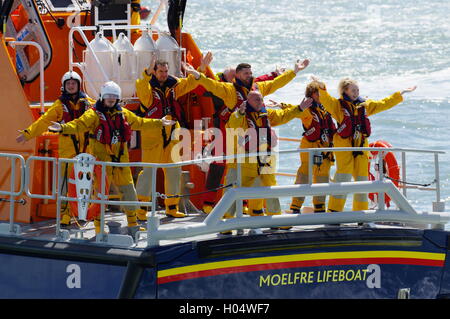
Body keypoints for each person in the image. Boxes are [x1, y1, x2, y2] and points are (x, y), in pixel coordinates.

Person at [47, 81, 176, 234]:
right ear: (102, 97)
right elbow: (78, 124)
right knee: (100, 196)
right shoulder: (93, 114)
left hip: (121, 161)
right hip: (102, 163)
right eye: (108, 96)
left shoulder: (124, 114)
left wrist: (159, 122)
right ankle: (99, 229)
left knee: (129, 192)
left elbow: (140, 122)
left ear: (118, 99)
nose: (110, 99)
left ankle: (133, 223)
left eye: (114, 97)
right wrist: (62, 127)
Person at [196, 58, 310, 215]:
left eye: (250, 73)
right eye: (245, 73)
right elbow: (211, 86)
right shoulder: (229, 90)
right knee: (233, 179)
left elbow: (274, 84)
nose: (249, 76)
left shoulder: (259, 91)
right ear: (236, 75)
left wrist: (294, 71)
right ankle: (224, 214)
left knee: (266, 182)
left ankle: (267, 214)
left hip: (261, 147)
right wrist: (198, 73)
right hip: (237, 139)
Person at [312, 76, 416, 212]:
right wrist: (321, 86)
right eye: (353, 90)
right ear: (345, 91)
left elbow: (383, 103)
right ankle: (334, 211)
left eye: (357, 90)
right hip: (344, 147)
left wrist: (400, 94)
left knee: (362, 180)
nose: (356, 92)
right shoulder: (338, 106)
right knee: (343, 177)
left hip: (361, 146)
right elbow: (326, 100)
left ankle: (360, 213)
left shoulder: (365, 105)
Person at [222, 91, 311, 232]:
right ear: (248, 101)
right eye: (256, 99)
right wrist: (240, 112)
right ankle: (225, 223)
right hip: (242, 161)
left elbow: (283, 116)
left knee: (271, 187)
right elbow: (233, 124)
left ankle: (275, 218)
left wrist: (299, 109)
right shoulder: (240, 115)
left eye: (261, 99)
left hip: (264, 159)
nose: (259, 102)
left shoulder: (266, 114)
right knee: (232, 192)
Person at [16, 70, 96, 227]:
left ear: (79, 85)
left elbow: (102, 109)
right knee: (65, 184)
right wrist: (28, 134)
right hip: (68, 151)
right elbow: (44, 121)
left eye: (74, 83)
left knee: (88, 182)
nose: (71, 86)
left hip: (87, 150)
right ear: (64, 86)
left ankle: (86, 213)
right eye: (68, 84)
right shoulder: (59, 106)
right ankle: (65, 215)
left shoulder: (89, 103)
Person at [134, 58, 205, 219]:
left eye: (166, 71)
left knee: (174, 171)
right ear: (154, 71)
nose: (164, 74)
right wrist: (146, 73)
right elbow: (141, 85)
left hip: (172, 132)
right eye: (160, 71)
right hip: (153, 134)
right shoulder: (147, 88)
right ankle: (141, 210)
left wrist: (201, 68)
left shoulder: (173, 86)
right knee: (148, 173)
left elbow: (190, 83)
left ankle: (171, 207)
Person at [268, 81, 337, 214]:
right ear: (312, 94)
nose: (321, 95)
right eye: (318, 93)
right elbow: (295, 109)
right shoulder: (307, 110)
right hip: (309, 147)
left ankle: (320, 208)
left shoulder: (326, 108)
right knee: (304, 176)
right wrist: (280, 105)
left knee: (322, 178)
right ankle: (295, 207)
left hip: (325, 149)